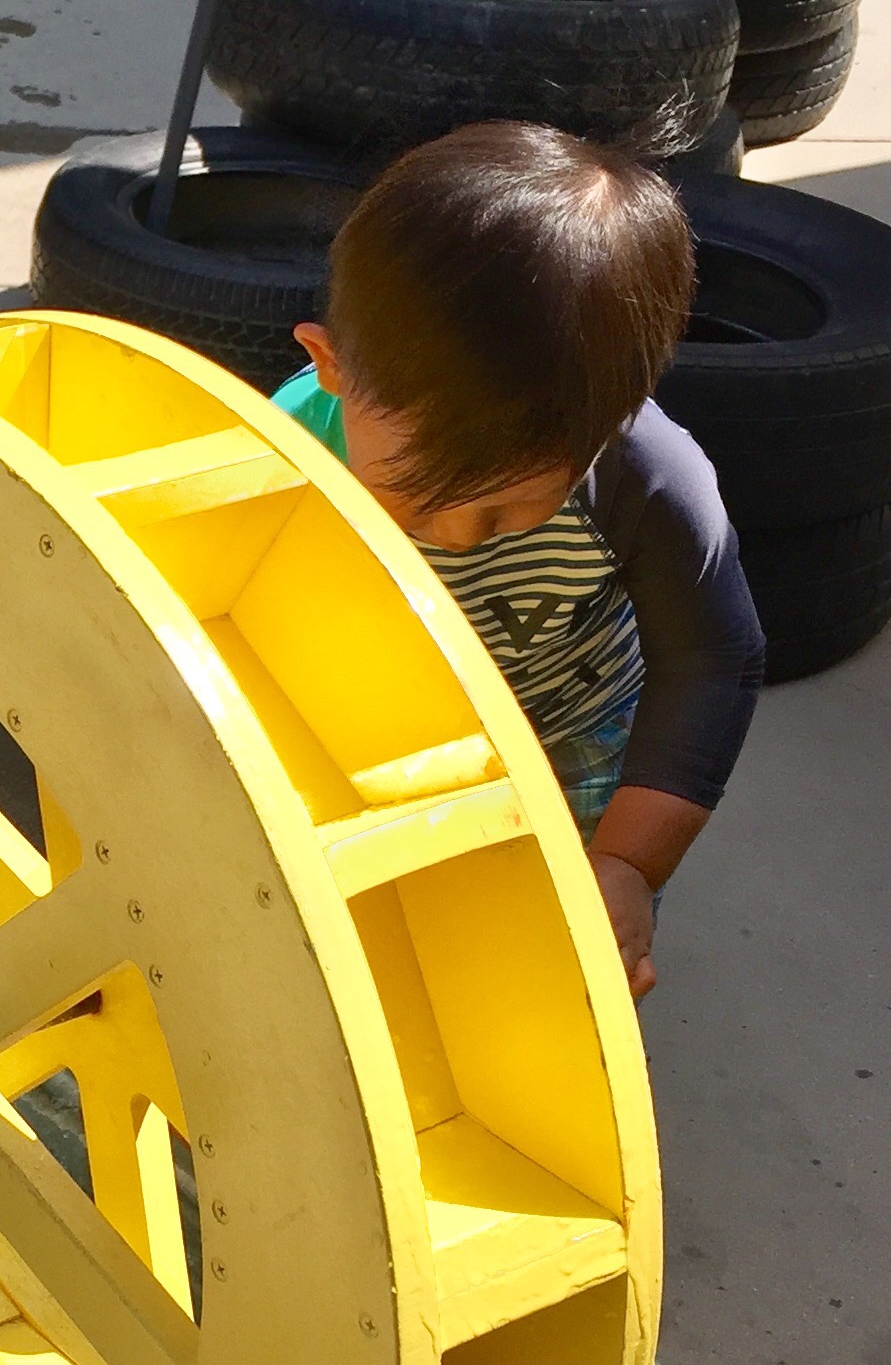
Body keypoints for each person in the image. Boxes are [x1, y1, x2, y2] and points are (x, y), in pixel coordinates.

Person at [275, 123, 763, 1002]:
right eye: (415, 494)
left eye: (506, 508)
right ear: (330, 366)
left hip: (568, 726)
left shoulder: (650, 478)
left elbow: (712, 659)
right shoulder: (280, 454)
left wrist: (627, 864)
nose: (459, 535)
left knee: (553, 947)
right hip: (367, 718)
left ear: (611, 418)